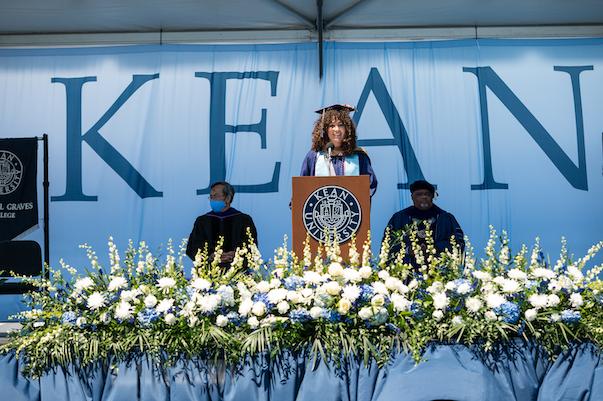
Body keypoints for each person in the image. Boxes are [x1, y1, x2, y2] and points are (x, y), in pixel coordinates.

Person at [299, 104, 378, 196]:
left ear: (347, 129)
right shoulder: (314, 156)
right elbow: (302, 188)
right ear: (324, 129)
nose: (336, 129)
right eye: (332, 126)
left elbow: (369, 186)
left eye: (341, 125)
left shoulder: (359, 156)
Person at [382, 179, 464, 264]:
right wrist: (408, 249)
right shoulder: (399, 218)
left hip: (439, 271)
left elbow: (459, 244)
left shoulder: (446, 218)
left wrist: (433, 249)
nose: (424, 197)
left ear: (432, 197)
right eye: (419, 194)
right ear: (412, 197)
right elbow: (388, 244)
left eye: (427, 194)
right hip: (406, 270)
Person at [186, 181, 257, 264]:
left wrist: (236, 255)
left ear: (228, 198)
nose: (212, 200)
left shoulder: (244, 220)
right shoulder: (202, 221)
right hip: (209, 271)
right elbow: (192, 247)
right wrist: (210, 256)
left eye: (215, 196)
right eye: (211, 197)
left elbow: (252, 246)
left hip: (237, 270)